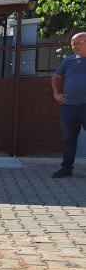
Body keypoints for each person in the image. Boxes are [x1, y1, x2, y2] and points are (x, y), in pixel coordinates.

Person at [51, 32, 86, 178]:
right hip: (69, 107)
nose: (74, 47)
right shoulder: (69, 60)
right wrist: (56, 94)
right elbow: (56, 76)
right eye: (72, 43)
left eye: (78, 43)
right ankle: (66, 168)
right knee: (69, 138)